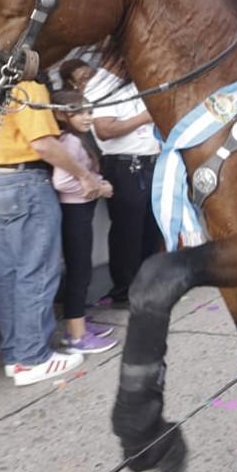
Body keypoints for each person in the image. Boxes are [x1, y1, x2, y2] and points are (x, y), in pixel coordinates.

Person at [0, 80, 100, 386]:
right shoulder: (25, 88)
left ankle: (16, 356)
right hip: (22, 181)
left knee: (7, 274)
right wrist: (85, 175)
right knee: (37, 271)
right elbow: (44, 144)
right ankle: (34, 358)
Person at [50, 90, 117, 354]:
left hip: (80, 211)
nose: (87, 117)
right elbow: (63, 181)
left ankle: (76, 324)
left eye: (89, 111)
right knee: (80, 272)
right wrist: (99, 189)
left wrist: (99, 183)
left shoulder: (75, 140)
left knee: (82, 270)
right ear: (62, 114)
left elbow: (83, 175)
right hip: (74, 213)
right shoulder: (69, 142)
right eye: (79, 112)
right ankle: (76, 337)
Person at [92, 79, 162, 304]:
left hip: (152, 162)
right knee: (128, 231)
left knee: (152, 227)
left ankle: (150, 285)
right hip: (125, 165)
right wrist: (144, 117)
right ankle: (126, 290)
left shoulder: (146, 85)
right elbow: (103, 130)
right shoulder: (107, 88)